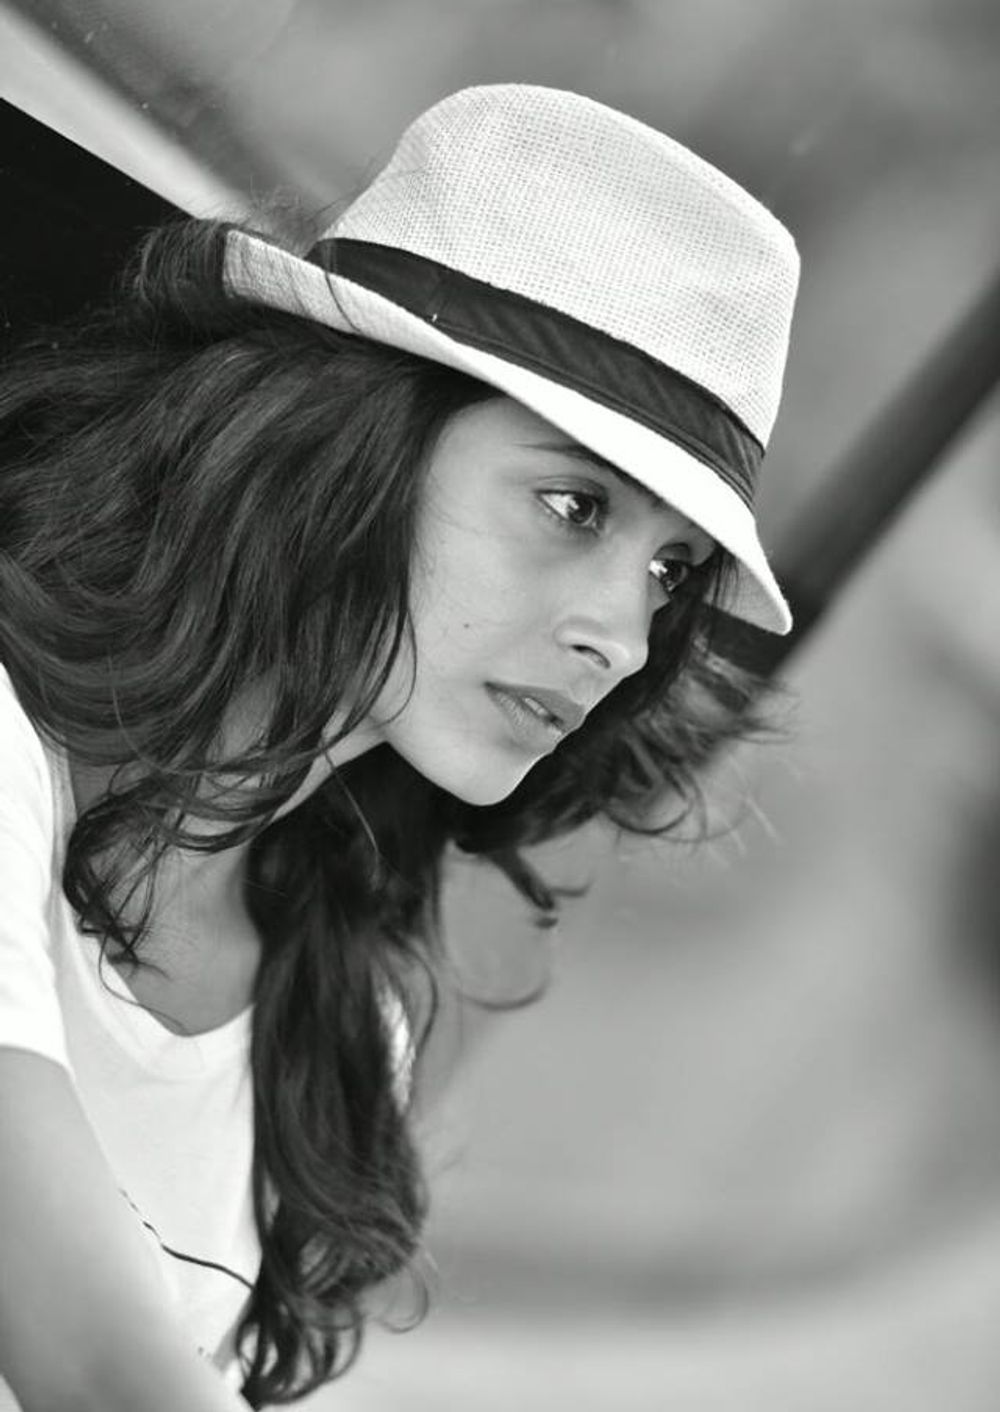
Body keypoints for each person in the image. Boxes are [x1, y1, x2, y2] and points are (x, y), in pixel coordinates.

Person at [0, 83, 799, 1409]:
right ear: (352, 434)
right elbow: (91, 1368)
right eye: (570, 505)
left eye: (671, 572)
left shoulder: (337, 1028)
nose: (620, 635)